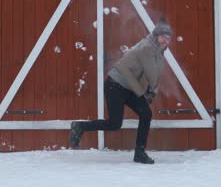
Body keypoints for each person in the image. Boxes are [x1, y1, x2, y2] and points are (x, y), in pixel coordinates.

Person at [70, 18, 172, 164]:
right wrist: (149, 92)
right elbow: (152, 74)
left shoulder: (157, 50)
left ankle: (139, 153)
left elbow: (155, 72)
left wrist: (148, 91)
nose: (166, 41)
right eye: (163, 37)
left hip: (130, 87)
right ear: (156, 36)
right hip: (115, 86)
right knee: (114, 124)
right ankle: (79, 126)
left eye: (168, 38)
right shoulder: (147, 48)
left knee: (146, 114)